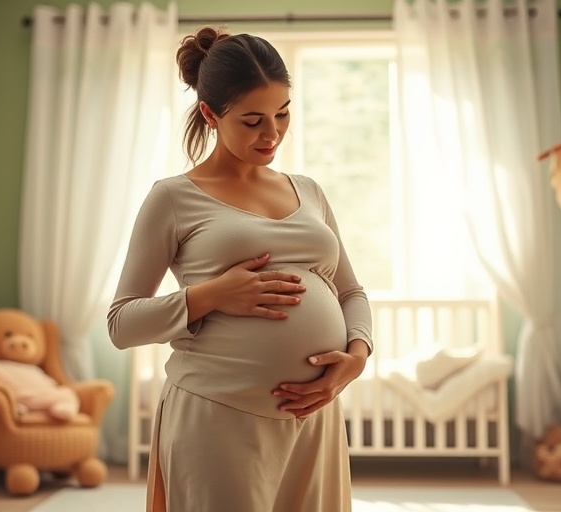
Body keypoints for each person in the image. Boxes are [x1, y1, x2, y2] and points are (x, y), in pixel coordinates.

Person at [107, 26, 373, 512]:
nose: (271, 133)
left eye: (283, 113)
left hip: (315, 417)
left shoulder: (308, 190)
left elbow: (350, 292)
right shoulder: (171, 197)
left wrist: (356, 358)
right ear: (210, 114)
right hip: (218, 416)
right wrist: (211, 295)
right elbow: (121, 324)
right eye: (252, 120)